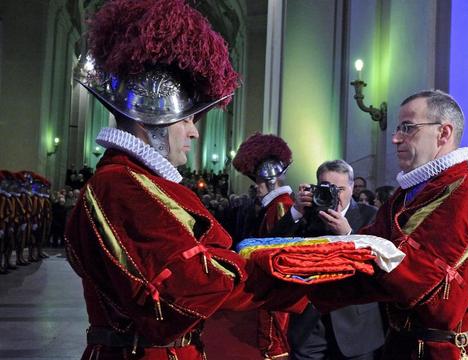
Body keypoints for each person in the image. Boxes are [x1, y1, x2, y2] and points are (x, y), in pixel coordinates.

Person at [65, 1, 301, 359]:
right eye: (188, 121)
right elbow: (188, 283)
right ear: (153, 119)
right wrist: (294, 271)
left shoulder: (136, 180)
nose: (193, 134)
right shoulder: (119, 184)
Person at [308, 90, 468, 360]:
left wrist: (374, 252)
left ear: (444, 133)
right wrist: (301, 274)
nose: (395, 138)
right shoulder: (403, 195)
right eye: (397, 128)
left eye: (407, 128)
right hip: (400, 346)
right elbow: (367, 256)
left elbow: (441, 303)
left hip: (445, 352)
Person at [273, 160, 384, 360]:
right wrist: (296, 210)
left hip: (356, 324)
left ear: (352, 188)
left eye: (340, 188)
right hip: (309, 323)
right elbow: (272, 244)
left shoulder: (371, 215)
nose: (335, 195)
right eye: (328, 188)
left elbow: (380, 260)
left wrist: (348, 234)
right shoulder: (306, 214)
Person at [233, 132, 295, 360]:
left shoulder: (281, 206)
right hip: (268, 283)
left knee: (273, 341)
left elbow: (277, 247)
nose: (256, 187)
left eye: (258, 181)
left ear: (270, 179)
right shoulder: (275, 205)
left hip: (274, 285)